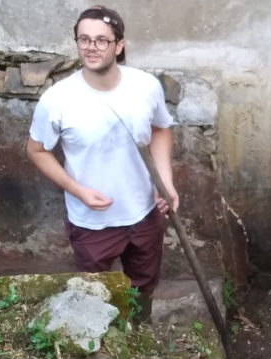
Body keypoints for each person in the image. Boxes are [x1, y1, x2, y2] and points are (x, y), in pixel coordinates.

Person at [26, 5, 178, 324]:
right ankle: (104, 338)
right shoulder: (58, 99)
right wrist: (78, 190)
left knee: (144, 285)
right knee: (93, 292)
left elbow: (160, 129)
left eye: (101, 40)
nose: (91, 47)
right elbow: (37, 150)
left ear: (119, 45)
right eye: (84, 39)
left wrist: (165, 182)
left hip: (145, 211)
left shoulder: (145, 86)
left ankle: (140, 331)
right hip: (92, 220)